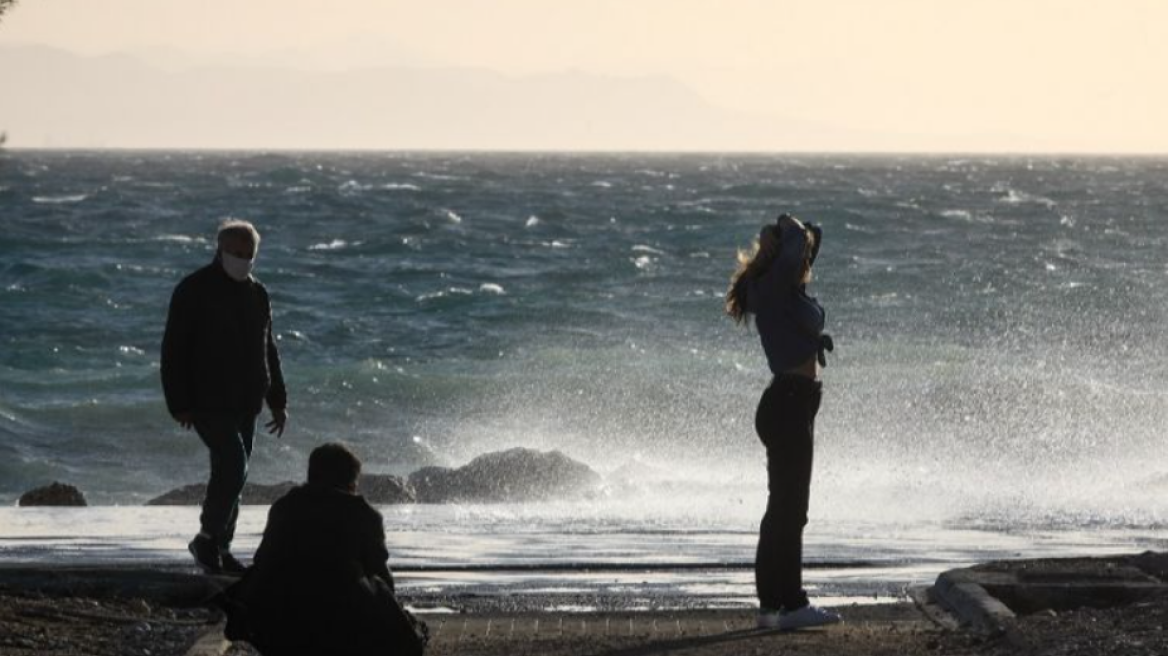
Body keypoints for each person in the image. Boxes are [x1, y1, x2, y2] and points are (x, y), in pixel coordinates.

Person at [726, 213, 840, 631]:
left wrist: (788, 240)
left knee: (782, 509)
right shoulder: (775, 287)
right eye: (799, 254)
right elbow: (796, 235)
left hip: (793, 403)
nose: (806, 259)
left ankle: (771, 607)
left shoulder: (786, 290)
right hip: (789, 404)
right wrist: (775, 231)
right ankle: (791, 604)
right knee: (791, 511)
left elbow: (813, 235)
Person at [161, 219, 289, 575]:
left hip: (247, 400)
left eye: (249, 255)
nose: (243, 260)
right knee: (234, 465)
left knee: (235, 474)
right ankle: (206, 538)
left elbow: (268, 349)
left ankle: (220, 546)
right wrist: (179, 403)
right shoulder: (194, 289)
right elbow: (174, 349)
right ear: (219, 250)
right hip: (207, 399)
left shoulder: (257, 293)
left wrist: (277, 400)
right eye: (236, 253)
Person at [221, 443, 428, 656]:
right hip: (341, 627)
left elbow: (263, 561)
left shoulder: (284, 507)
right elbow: (380, 573)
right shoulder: (363, 513)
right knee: (381, 591)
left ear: (311, 475)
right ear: (350, 481)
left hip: (281, 627)